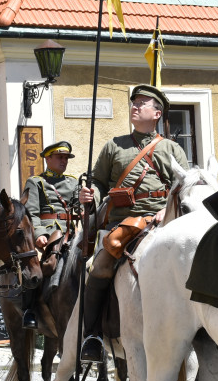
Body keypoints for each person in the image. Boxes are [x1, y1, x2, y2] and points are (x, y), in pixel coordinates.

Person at [77, 85, 190, 362]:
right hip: (124, 225)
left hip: (164, 221)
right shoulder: (114, 146)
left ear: (157, 113)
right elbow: (99, 182)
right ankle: (92, 335)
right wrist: (89, 194)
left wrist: (166, 212)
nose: (135, 107)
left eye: (142, 103)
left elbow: (184, 188)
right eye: (134, 103)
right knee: (100, 266)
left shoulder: (172, 149)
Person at [20, 141, 80, 329]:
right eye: (60, 157)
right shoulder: (36, 182)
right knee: (35, 268)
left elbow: (79, 207)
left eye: (66, 158)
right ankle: (30, 310)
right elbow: (31, 213)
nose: (64, 161)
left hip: (71, 231)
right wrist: (39, 234)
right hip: (48, 233)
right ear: (48, 158)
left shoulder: (73, 182)